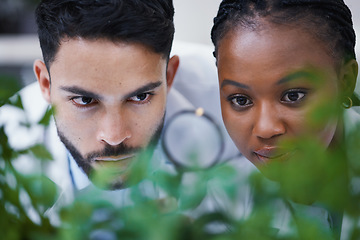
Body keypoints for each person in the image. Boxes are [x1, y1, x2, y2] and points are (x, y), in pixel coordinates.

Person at [0, 0, 237, 209]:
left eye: (140, 97)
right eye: (85, 100)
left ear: (169, 76)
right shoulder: (6, 157)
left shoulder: (237, 100)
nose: (114, 136)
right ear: (44, 83)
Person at [210, 0, 360, 238]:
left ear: (345, 81)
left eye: (293, 95)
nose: (266, 129)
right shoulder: (215, 198)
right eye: (240, 100)